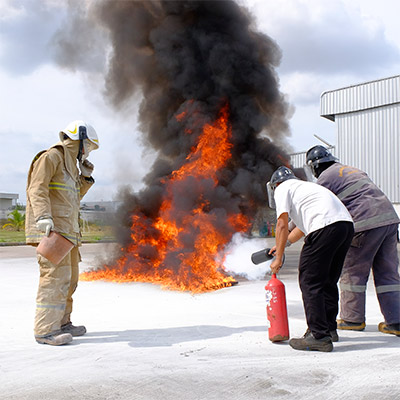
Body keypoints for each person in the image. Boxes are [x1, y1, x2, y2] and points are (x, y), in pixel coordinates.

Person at [306, 145, 400, 336]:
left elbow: (313, 206)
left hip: (365, 223)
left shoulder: (325, 178)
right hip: (389, 220)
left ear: (314, 166)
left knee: (353, 273)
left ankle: (352, 319)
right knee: (388, 274)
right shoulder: (352, 169)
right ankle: (396, 321)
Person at [25, 120, 99, 346]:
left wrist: (85, 178)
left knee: (69, 281)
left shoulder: (70, 167)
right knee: (54, 280)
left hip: (69, 234)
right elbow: (36, 188)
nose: (87, 152)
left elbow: (73, 198)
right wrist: (42, 216)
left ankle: (63, 323)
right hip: (53, 232)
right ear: (79, 139)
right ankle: (45, 330)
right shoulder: (51, 157)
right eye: (88, 146)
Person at [268, 166, 354, 352]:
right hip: (345, 226)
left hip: (325, 227)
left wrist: (279, 258)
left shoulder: (283, 188)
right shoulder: (306, 189)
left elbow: (282, 224)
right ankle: (329, 329)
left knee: (310, 281)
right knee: (328, 281)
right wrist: (282, 245)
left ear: (275, 185)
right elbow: (299, 228)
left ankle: (318, 335)